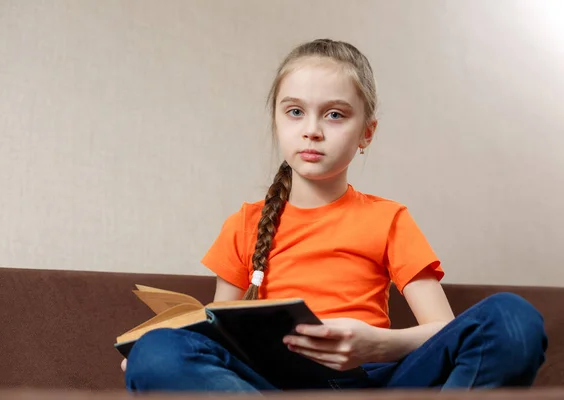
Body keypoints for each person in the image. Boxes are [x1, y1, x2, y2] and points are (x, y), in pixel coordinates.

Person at [121, 38, 547, 392]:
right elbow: (220, 332)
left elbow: (442, 330)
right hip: (273, 385)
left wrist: (378, 345)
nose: (312, 129)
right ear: (277, 122)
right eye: (294, 111)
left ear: (366, 133)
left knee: (511, 318)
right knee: (158, 352)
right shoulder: (245, 225)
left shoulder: (389, 219)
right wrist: (158, 356)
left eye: (335, 114)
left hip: (376, 379)